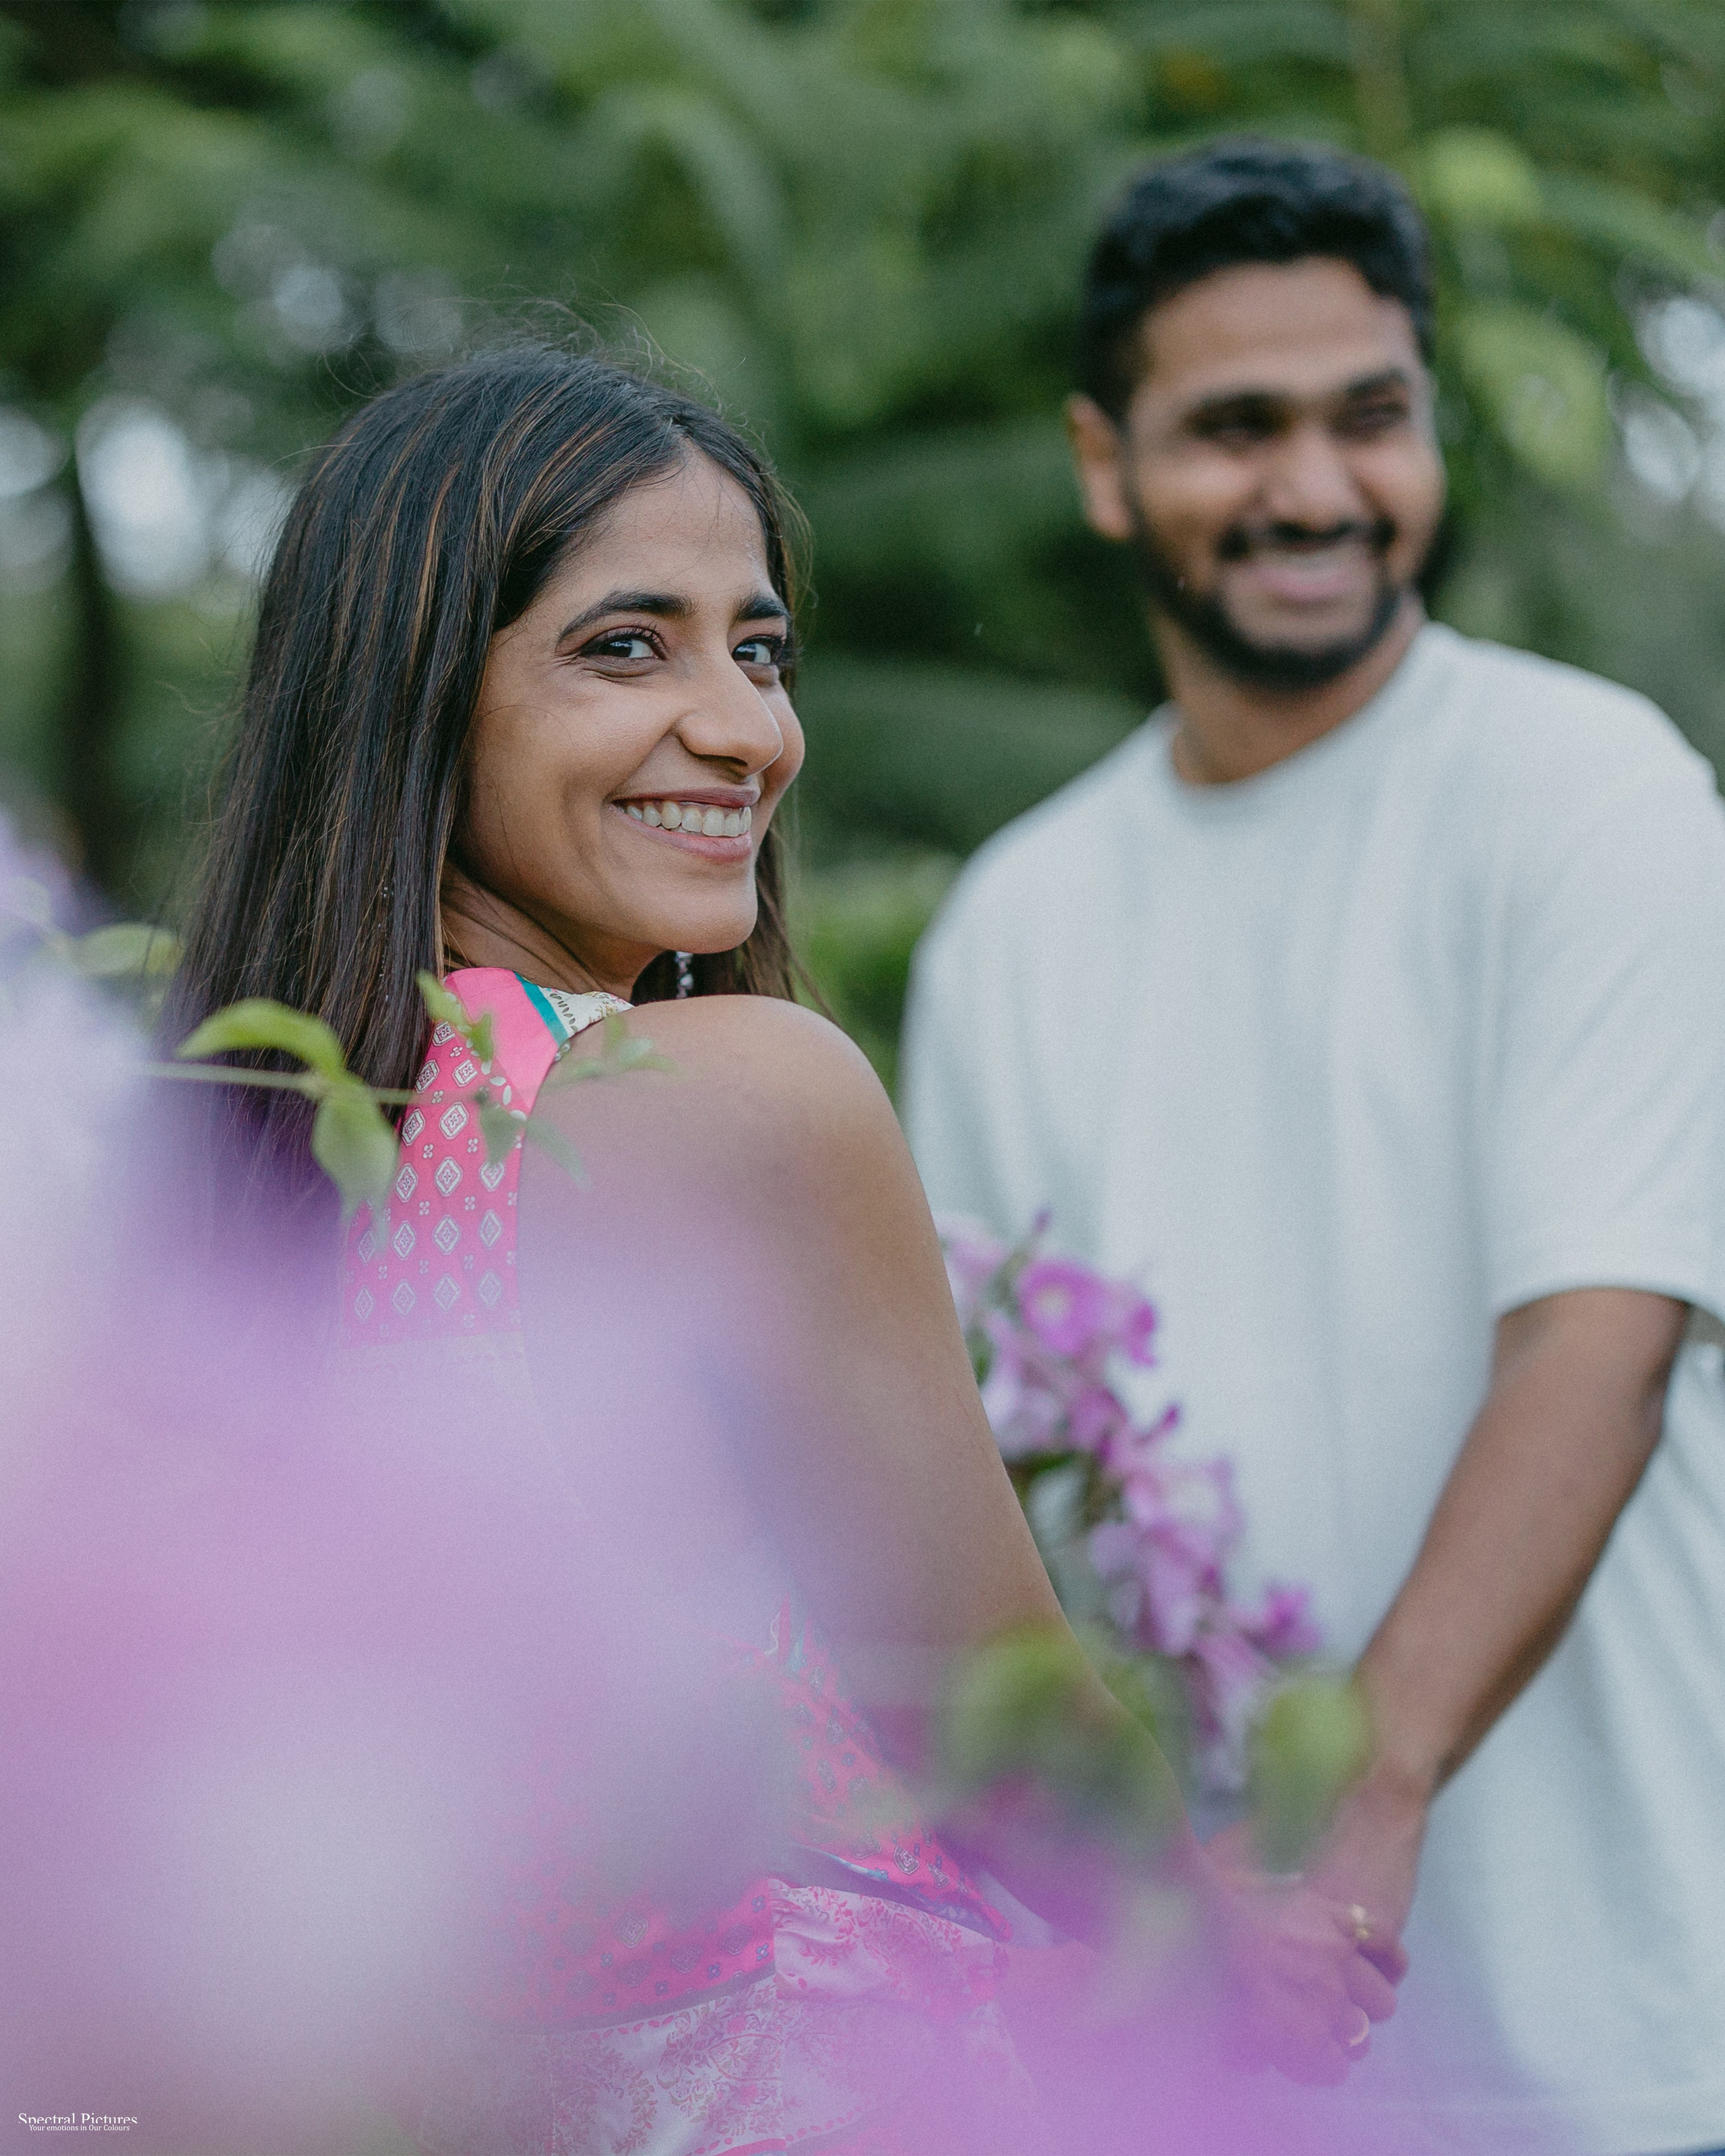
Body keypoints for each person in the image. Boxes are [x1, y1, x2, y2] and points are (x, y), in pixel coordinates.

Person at [161, 344, 1393, 2153]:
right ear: (422, 693)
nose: (748, 731)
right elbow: (1002, 1729)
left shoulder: (258, 1175)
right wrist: (1212, 1939)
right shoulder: (736, 1102)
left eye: (758, 649)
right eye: (624, 646)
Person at [902, 136, 1725, 2156]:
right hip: (1208, 2055)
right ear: (1107, 465)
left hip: (1614, 2020)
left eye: (1372, 417)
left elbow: (1600, 1336)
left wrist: (1358, 1826)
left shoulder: (1589, 793)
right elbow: (968, 1479)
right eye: (1233, 429)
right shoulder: (1016, 920)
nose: (1314, 490)